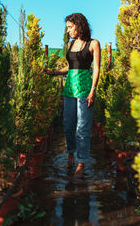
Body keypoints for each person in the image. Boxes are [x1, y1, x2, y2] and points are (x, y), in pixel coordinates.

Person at [44, 13, 101, 177]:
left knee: (82, 127)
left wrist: (93, 91)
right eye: (67, 27)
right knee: (68, 125)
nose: (68, 30)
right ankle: (70, 154)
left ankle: (81, 162)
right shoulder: (70, 44)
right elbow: (70, 67)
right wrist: (53, 72)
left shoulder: (93, 43)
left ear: (79, 25)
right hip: (69, 89)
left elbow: (96, 68)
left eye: (70, 27)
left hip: (84, 89)